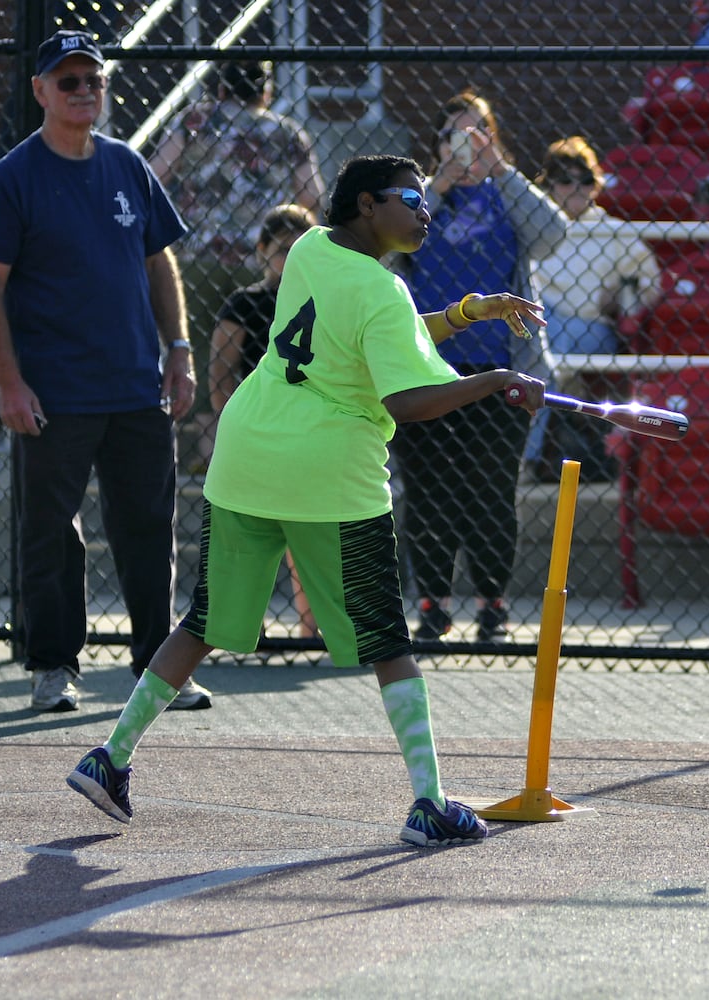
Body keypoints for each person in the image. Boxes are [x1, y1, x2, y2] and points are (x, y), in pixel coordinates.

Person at [65, 154, 548, 846]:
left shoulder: (313, 250)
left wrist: (468, 313)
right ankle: (429, 805)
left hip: (248, 457)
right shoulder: (380, 291)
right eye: (409, 198)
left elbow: (385, 334)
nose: (424, 209)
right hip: (327, 476)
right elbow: (406, 398)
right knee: (388, 640)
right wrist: (493, 377)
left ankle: (108, 760)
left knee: (201, 623)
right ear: (364, 206)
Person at [0, 29, 211, 714]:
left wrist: (179, 350)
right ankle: (52, 667)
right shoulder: (13, 178)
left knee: (147, 529)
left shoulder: (129, 167)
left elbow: (160, 262)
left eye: (91, 80)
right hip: (53, 394)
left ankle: (158, 671)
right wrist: (10, 383)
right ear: (39, 91)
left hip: (135, 388)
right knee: (51, 533)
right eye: (66, 81)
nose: (81, 91)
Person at [389, 88, 568, 643]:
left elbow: (554, 233)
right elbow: (390, 248)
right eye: (453, 135)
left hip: (500, 371)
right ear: (436, 144)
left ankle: (492, 603)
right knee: (428, 491)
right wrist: (435, 186)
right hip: (426, 371)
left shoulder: (508, 196)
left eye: (476, 134)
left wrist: (502, 170)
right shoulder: (417, 200)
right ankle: (433, 605)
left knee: (490, 491)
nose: (464, 146)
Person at [147, 59, 325, 338]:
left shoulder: (194, 120)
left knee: (196, 343)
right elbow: (311, 195)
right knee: (257, 347)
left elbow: (156, 174)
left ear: (221, 90)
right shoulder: (285, 131)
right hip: (259, 255)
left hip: (198, 252)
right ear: (266, 92)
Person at [208, 203, 320, 638]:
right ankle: (233, 628)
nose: (292, 260)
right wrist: (233, 426)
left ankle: (314, 627)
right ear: (262, 251)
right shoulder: (247, 303)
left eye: (302, 250)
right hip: (258, 429)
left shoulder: (322, 301)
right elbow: (221, 370)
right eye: (283, 250)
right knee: (248, 532)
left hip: (311, 430)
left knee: (310, 529)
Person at [525, 135, 661, 479]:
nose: (577, 189)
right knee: (543, 337)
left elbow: (651, 284)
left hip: (590, 326)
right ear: (550, 184)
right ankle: (528, 450)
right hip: (542, 321)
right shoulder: (534, 227)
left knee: (547, 350)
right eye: (566, 180)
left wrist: (620, 297)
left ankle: (524, 458)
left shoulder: (612, 231)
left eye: (585, 181)